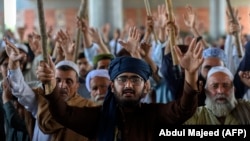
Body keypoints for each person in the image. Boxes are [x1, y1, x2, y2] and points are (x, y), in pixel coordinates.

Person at [37, 37, 202, 140]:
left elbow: (183, 110)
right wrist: (51, 86)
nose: (128, 85)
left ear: (146, 87)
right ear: (112, 86)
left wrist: (191, 74)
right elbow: (63, 113)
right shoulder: (97, 117)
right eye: (122, 79)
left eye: (135, 80)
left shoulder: (153, 115)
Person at [5, 39, 95, 141]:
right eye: (58, 80)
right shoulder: (41, 101)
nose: (62, 85)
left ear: (77, 86)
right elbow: (19, 89)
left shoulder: (85, 108)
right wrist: (13, 63)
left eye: (68, 81)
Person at [184, 66, 250, 124]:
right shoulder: (197, 116)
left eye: (226, 85)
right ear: (206, 91)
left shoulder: (246, 109)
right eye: (214, 86)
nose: (220, 91)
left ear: (234, 90)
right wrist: (191, 94)